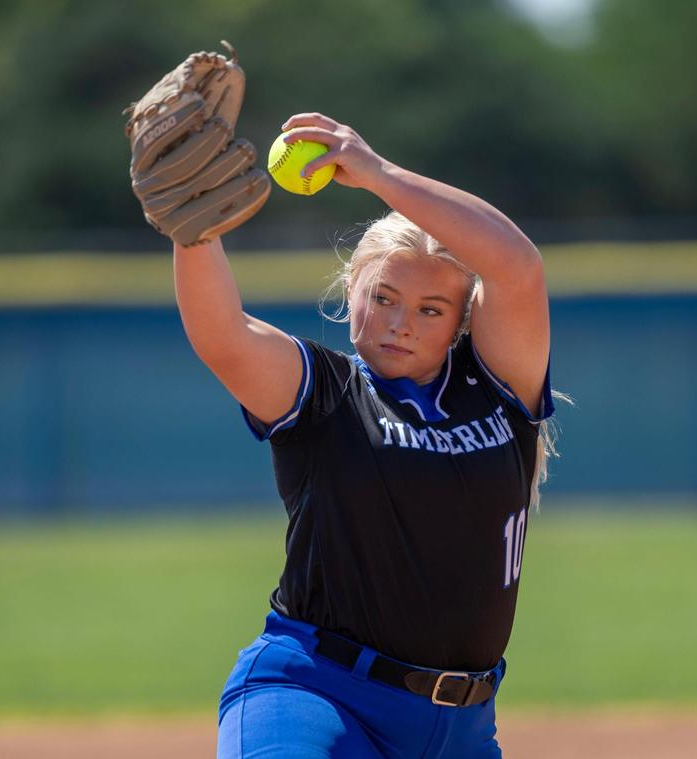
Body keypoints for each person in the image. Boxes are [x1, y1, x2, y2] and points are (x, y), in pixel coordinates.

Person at [175, 112, 556, 758]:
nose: (401, 322)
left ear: (459, 322)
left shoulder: (498, 388)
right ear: (352, 288)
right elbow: (224, 337)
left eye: (430, 310)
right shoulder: (324, 392)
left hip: (464, 730)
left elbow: (517, 266)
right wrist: (192, 228)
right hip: (317, 695)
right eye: (383, 297)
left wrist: (377, 174)